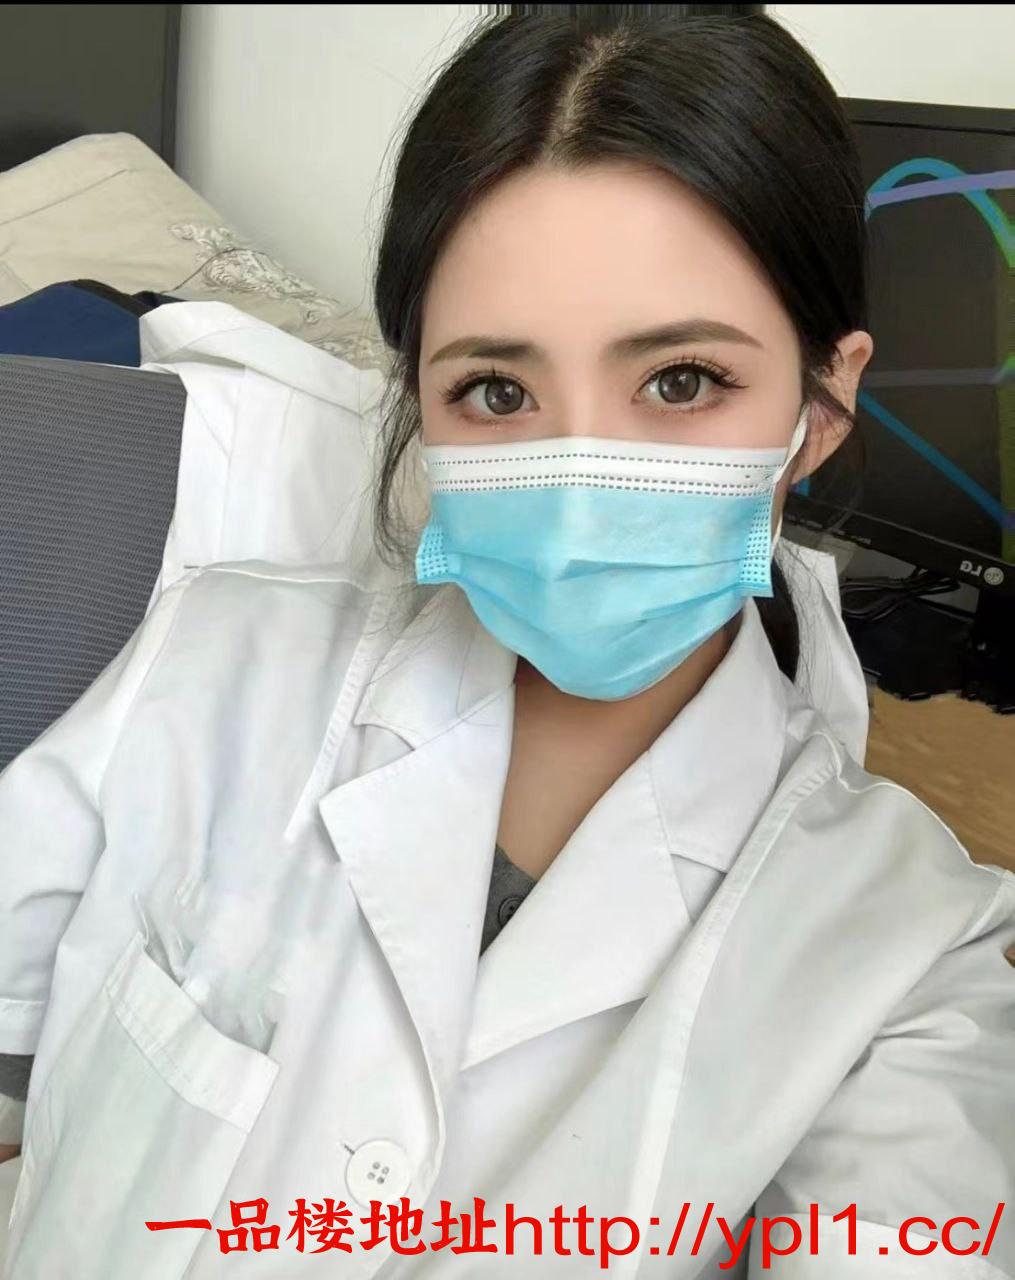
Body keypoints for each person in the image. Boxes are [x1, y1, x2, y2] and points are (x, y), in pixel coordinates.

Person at [1, 11, 1013, 1279]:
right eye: (496, 390)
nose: (581, 489)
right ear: (418, 398)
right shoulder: (213, 660)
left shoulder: (911, 960)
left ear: (822, 400)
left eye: (681, 380)